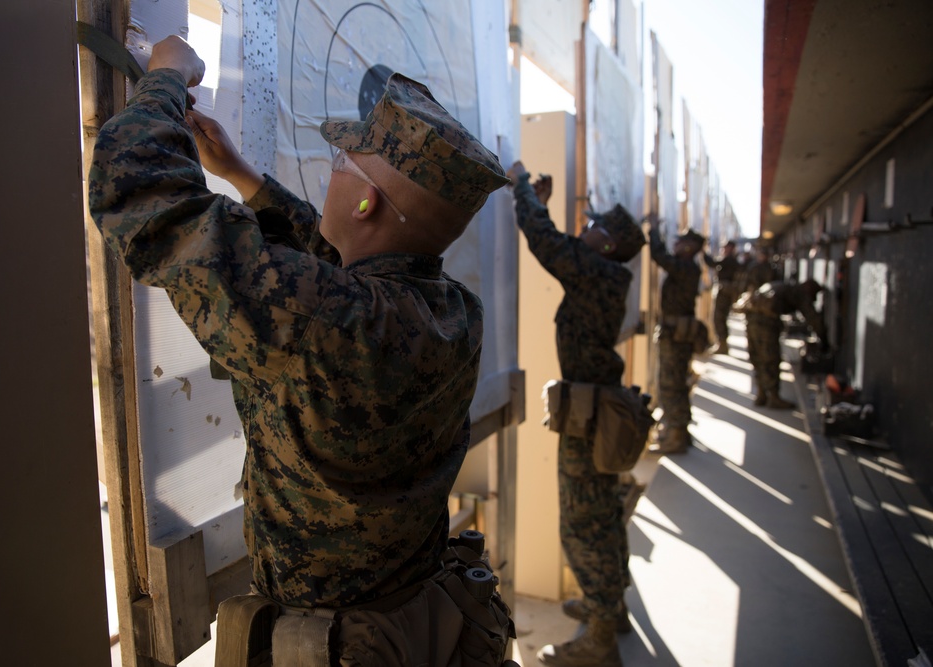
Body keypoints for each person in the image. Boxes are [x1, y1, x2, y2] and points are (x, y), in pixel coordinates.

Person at [89, 36, 515, 665]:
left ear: (366, 201)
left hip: (337, 645)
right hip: (410, 621)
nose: (333, 166)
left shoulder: (332, 321)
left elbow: (140, 192)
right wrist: (244, 178)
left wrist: (166, 80)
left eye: (344, 160)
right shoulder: (450, 313)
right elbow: (339, 281)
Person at [507, 161, 647, 667]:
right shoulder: (605, 273)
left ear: (608, 244)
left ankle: (600, 637)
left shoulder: (598, 272)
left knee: (584, 525)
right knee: (604, 516)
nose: (583, 231)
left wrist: (522, 186)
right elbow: (559, 241)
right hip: (594, 414)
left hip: (590, 422)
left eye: (592, 227)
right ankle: (609, 605)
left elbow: (545, 241)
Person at [648, 222, 706, 454]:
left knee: (671, 385)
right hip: (677, 334)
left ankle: (676, 437)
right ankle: (678, 431)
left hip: (676, 336)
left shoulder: (686, 267)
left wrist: (653, 232)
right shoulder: (687, 267)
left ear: (690, 248)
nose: (677, 244)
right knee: (676, 383)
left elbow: (659, 256)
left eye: (682, 241)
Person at [744, 279, 828, 409]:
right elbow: (812, 317)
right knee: (770, 358)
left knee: (758, 357)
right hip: (766, 323)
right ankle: (773, 397)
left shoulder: (784, 286)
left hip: (751, 319)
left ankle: (761, 394)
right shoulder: (799, 293)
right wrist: (824, 339)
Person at [703, 240, 742, 355]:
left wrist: (703, 252)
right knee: (720, 318)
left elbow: (712, 263)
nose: (723, 250)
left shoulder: (729, 260)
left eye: (726, 248)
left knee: (718, 318)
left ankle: (722, 345)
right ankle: (722, 344)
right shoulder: (731, 260)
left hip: (724, 293)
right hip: (725, 292)